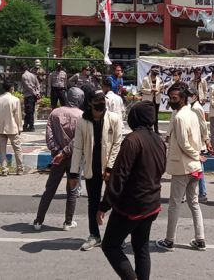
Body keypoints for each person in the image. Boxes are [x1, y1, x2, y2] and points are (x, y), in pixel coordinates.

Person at [98, 101, 167, 280]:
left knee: (110, 245)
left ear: (135, 118)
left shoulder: (132, 140)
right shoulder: (158, 140)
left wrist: (103, 206)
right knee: (141, 246)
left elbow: (119, 177)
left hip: (132, 206)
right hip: (151, 204)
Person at [70, 89, 124, 251]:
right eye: (97, 100)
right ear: (90, 103)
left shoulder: (114, 119)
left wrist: (109, 167)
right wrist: (74, 173)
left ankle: (117, 237)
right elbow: (78, 148)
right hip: (91, 168)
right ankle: (94, 235)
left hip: (110, 168)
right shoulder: (82, 121)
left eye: (102, 100)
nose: (101, 103)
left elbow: (117, 145)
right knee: (93, 202)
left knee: (115, 201)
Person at [155, 84, 206, 252]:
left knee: (174, 204)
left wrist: (196, 155)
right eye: (170, 98)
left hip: (184, 166)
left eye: (174, 98)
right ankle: (200, 239)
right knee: (194, 203)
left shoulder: (180, 117)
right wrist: (197, 156)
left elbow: (184, 144)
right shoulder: (190, 114)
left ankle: (169, 240)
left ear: (183, 98)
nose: (171, 101)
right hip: (194, 166)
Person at [33, 87, 84, 231]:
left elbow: (49, 137)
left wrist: (58, 152)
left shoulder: (54, 113)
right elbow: (78, 140)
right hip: (74, 158)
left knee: (49, 189)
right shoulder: (82, 116)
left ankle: (38, 221)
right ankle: (68, 222)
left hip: (56, 158)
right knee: (72, 190)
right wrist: (65, 152)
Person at [0, 81, 25, 176]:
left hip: (1, 127)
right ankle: (20, 168)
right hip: (12, 127)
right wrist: (20, 128)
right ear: (11, 88)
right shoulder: (15, 100)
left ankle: (4, 169)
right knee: (17, 148)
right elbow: (17, 116)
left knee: (2, 149)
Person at [189, 89, 213, 203]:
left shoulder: (196, 108)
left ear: (195, 96)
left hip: (198, 141)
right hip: (195, 140)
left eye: (190, 95)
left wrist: (207, 140)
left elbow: (203, 125)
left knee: (199, 169)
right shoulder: (191, 107)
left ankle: (202, 193)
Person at [141, 66, 164, 134]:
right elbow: (142, 89)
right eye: (154, 72)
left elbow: (160, 88)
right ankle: (147, 129)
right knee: (147, 115)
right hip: (148, 100)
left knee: (155, 115)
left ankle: (156, 130)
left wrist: (161, 90)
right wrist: (151, 90)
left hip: (156, 99)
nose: (155, 74)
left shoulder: (159, 79)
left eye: (156, 73)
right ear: (151, 71)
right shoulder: (146, 79)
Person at [20, 63, 41, 132]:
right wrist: (37, 93)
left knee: (29, 111)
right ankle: (27, 125)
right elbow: (38, 84)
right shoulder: (33, 75)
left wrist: (34, 93)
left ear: (23, 69)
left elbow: (27, 86)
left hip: (28, 95)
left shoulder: (24, 76)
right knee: (31, 111)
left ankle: (30, 126)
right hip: (33, 95)